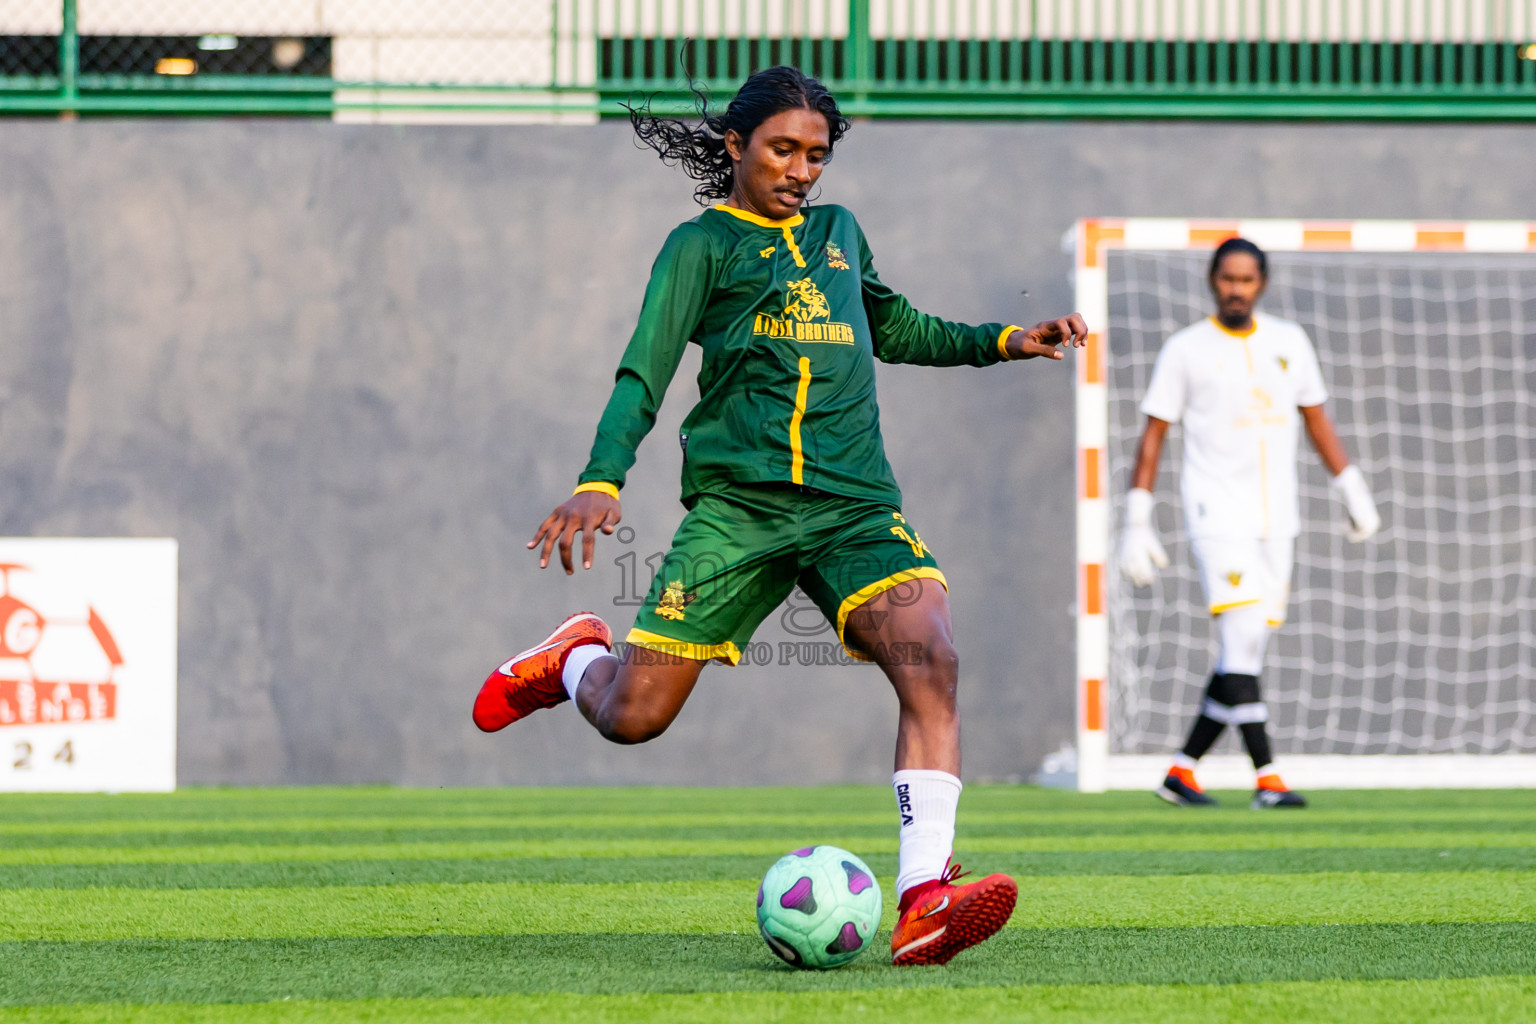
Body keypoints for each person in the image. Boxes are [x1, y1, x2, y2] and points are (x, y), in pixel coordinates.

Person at [472, 65, 1087, 965]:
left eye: (816, 156)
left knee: (932, 656)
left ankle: (924, 897)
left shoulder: (839, 234)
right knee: (635, 716)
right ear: (736, 146)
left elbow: (897, 327)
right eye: (782, 150)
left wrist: (1004, 341)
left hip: (852, 506)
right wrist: (602, 478)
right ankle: (576, 661)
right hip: (740, 510)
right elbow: (644, 369)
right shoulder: (699, 247)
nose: (801, 170)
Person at [1119, 237, 1380, 810]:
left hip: (1277, 517)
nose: (1236, 289)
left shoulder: (1289, 342)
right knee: (1239, 636)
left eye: (1247, 280)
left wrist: (1351, 487)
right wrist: (1137, 518)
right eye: (1227, 279)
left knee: (1247, 648)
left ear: (1261, 283)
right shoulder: (1186, 349)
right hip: (1216, 512)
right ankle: (1268, 776)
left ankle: (1182, 772)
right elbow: (1154, 434)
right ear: (1213, 280)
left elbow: (1316, 419)